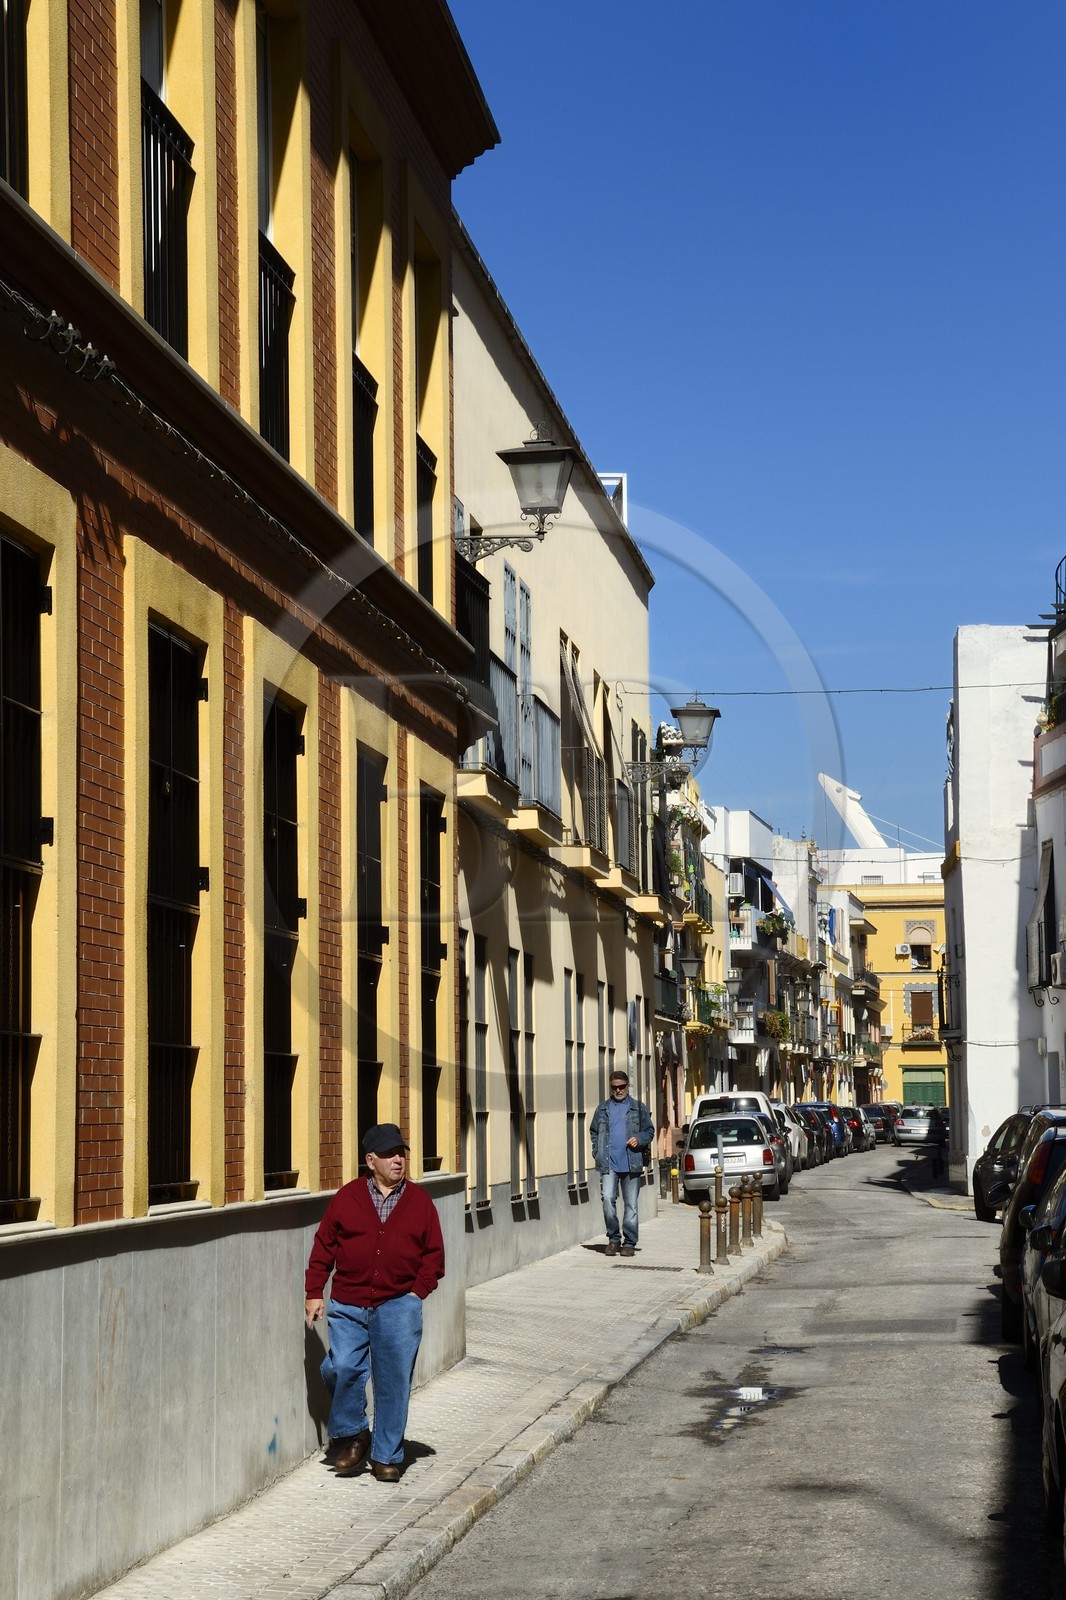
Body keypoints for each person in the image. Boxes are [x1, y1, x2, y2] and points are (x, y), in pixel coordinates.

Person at [304, 1123, 445, 1482]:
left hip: (399, 1302)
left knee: (393, 1380)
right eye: (388, 1154)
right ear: (370, 1161)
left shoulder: (420, 1202)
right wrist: (314, 1291)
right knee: (339, 1369)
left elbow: (434, 1256)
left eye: (401, 1153)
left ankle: (386, 1454)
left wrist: (416, 1293)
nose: (398, 1160)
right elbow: (324, 1246)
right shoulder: (346, 1198)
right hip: (349, 1301)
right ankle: (355, 1432)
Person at [589, 1072, 655, 1257]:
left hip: (632, 1163)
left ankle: (630, 1243)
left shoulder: (638, 1108)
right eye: (614, 1087)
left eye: (622, 1086)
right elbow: (594, 1131)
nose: (618, 1090)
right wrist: (597, 1151)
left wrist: (639, 1139)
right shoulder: (602, 1109)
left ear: (627, 1086)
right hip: (609, 1164)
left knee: (631, 1205)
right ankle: (613, 1239)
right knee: (608, 1199)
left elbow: (649, 1131)